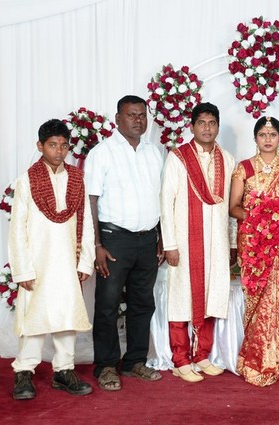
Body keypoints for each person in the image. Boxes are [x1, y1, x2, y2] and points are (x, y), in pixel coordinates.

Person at [9, 119, 95, 400]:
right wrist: (22, 270)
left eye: (64, 145)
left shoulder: (77, 178)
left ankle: (64, 371)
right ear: (40, 146)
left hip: (68, 260)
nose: (59, 151)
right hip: (37, 262)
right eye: (52, 145)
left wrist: (85, 260)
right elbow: (17, 229)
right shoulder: (27, 180)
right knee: (34, 317)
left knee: (66, 315)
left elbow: (86, 221)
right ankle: (24, 372)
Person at [84, 95, 164, 391]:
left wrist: (161, 237)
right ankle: (106, 366)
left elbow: (160, 198)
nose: (138, 120)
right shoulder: (102, 153)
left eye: (142, 115)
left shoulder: (153, 152)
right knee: (107, 304)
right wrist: (96, 245)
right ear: (118, 119)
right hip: (114, 240)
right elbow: (91, 200)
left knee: (143, 303)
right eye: (132, 115)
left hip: (148, 239)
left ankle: (134, 362)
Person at [229, 116, 279, 387]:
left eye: (272, 134)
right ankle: (252, 358)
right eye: (262, 134)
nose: (267, 139)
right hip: (252, 243)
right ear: (255, 138)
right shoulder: (243, 168)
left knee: (274, 298)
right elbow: (233, 207)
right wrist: (258, 220)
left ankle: (272, 360)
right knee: (255, 297)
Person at [160, 102, 236, 383]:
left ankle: (202, 355)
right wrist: (169, 244)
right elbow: (166, 202)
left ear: (218, 127)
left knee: (212, 296)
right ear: (191, 126)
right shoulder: (178, 158)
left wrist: (232, 243)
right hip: (184, 242)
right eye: (201, 123)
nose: (207, 128)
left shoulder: (227, 159)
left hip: (217, 244)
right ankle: (180, 359)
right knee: (181, 299)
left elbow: (231, 206)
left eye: (212, 123)